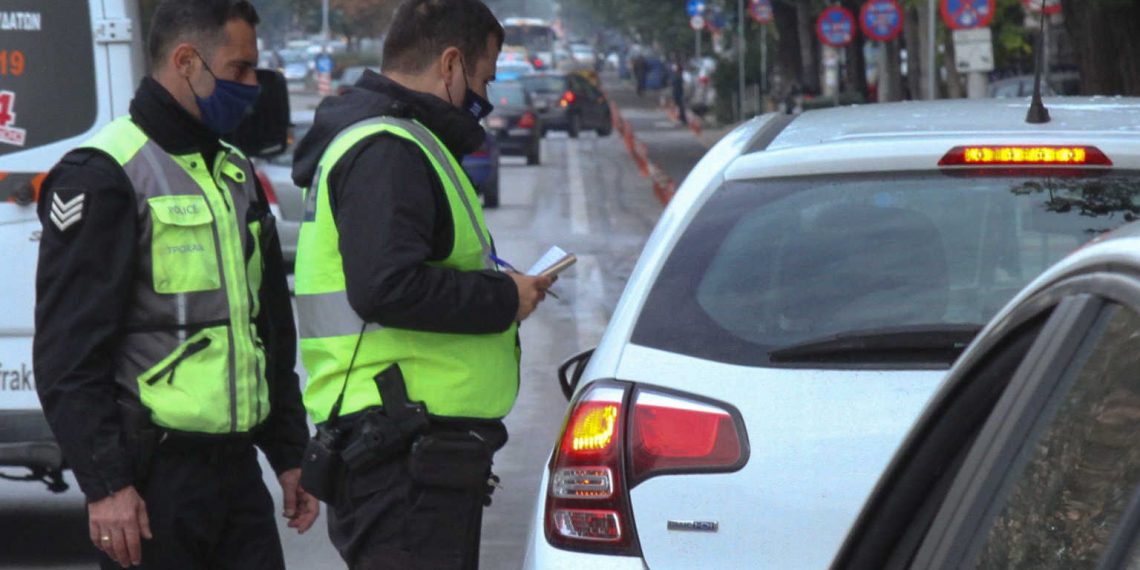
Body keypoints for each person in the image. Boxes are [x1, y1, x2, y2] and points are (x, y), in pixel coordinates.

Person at [33, 1, 317, 568]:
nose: (252, 85)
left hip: (237, 478)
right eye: (239, 69)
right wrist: (107, 485)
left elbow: (266, 328)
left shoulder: (235, 171)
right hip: (153, 482)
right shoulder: (104, 174)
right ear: (186, 61)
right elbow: (69, 354)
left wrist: (290, 453)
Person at [290, 0, 552, 568]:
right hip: (400, 451)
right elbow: (387, 287)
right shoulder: (388, 150)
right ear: (451, 64)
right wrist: (505, 298)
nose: (485, 96)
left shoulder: (397, 142)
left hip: (410, 448)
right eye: (484, 79)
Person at [671, 54, 688, 126]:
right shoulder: (678, 76)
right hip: (678, 93)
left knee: (681, 107)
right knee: (680, 107)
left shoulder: (679, 76)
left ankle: (682, 119)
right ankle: (681, 118)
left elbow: (679, 86)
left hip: (679, 93)